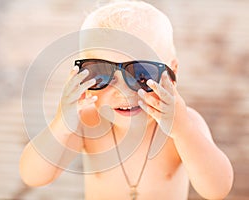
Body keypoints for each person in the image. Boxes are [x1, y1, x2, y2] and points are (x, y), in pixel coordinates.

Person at [19, 1, 233, 199]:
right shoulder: (87, 124)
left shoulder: (185, 125)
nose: (122, 92)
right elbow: (33, 175)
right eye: (101, 74)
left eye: (141, 75)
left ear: (172, 72)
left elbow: (217, 189)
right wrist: (61, 125)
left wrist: (184, 131)